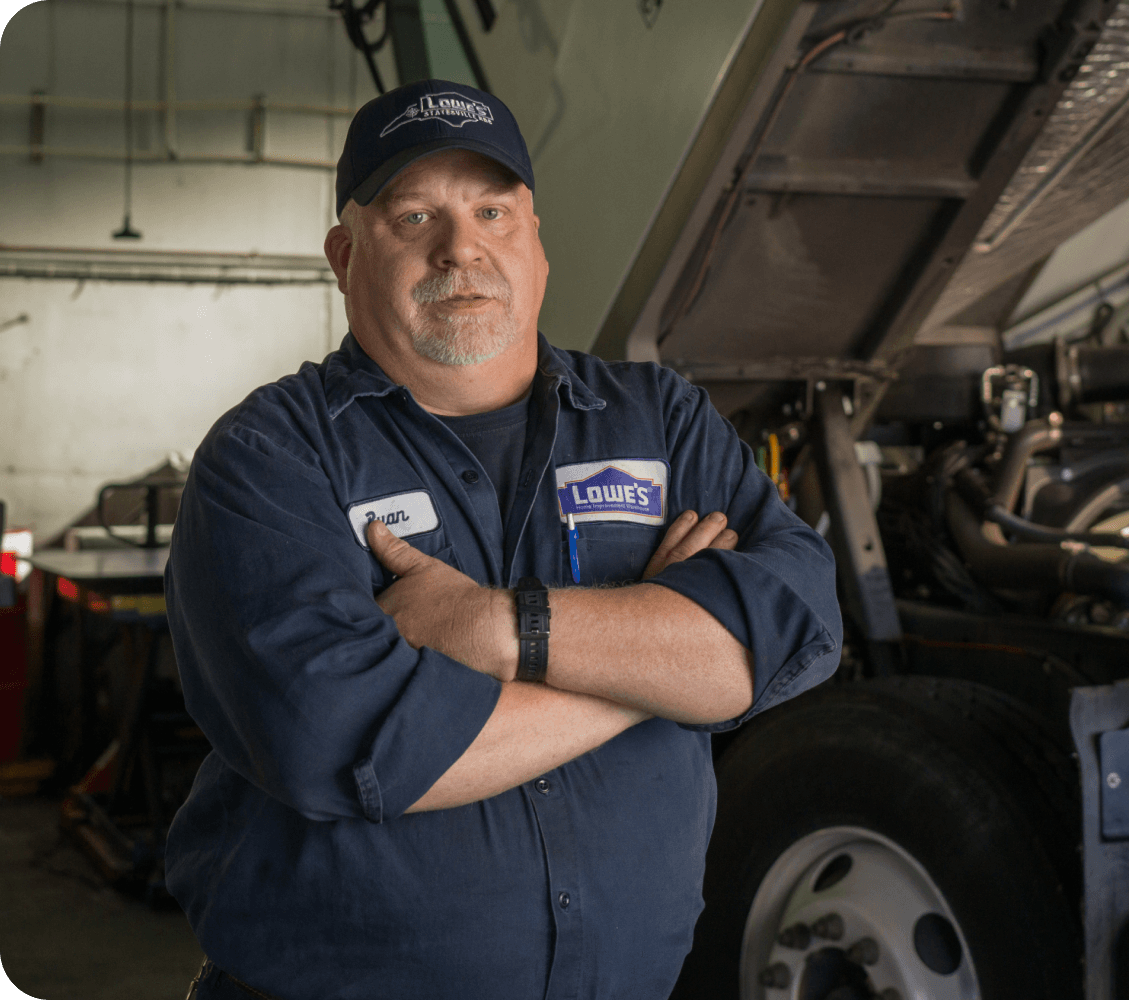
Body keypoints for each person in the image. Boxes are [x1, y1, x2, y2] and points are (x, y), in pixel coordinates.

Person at [165, 79, 841, 999]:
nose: (462, 249)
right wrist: (659, 675)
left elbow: (797, 630)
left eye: (493, 211)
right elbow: (343, 741)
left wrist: (500, 629)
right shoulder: (271, 457)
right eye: (414, 217)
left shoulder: (660, 419)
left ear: (538, 247)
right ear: (343, 252)